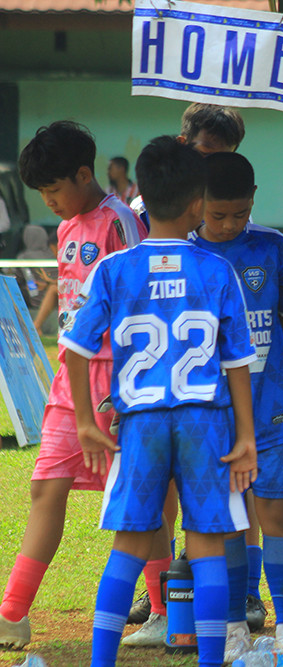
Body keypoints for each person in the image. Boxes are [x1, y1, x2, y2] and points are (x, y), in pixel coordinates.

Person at [59, 135, 258, 667]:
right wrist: (245, 436)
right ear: (198, 202)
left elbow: (75, 349)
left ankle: (102, 662)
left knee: (128, 545)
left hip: (142, 423)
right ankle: (211, 660)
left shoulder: (115, 268)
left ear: (142, 192)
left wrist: (83, 421)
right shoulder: (217, 271)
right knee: (208, 545)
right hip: (205, 423)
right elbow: (238, 363)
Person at [0, 121, 146, 649]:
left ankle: (160, 611)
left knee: (141, 497)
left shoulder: (120, 221)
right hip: (71, 376)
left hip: (120, 377)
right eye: (41, 193)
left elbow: (141, 293)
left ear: (84, 174)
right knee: (45, 485)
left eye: (54, 190)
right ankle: (12, 611)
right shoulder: (65, 230)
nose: (49, 202)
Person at [124, 103, 263, 642]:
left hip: (217, 366)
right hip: (159, 369)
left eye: (224, 161)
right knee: (161, 488)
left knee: (234, 481)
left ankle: (241, 590)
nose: (213, 176)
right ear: (185, 145)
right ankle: (162, 595)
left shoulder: (232, 217)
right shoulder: (147, 211)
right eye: (207, 157)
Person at [189, 151, 283, 664]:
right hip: (212, 415)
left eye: (239, 214)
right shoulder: (185, 253)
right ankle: (234, 628)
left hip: (274, 409)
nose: (229, 224)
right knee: (226, 520)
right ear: (197, 204)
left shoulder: (272, 247)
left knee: (276, 516)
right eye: (218, 214)